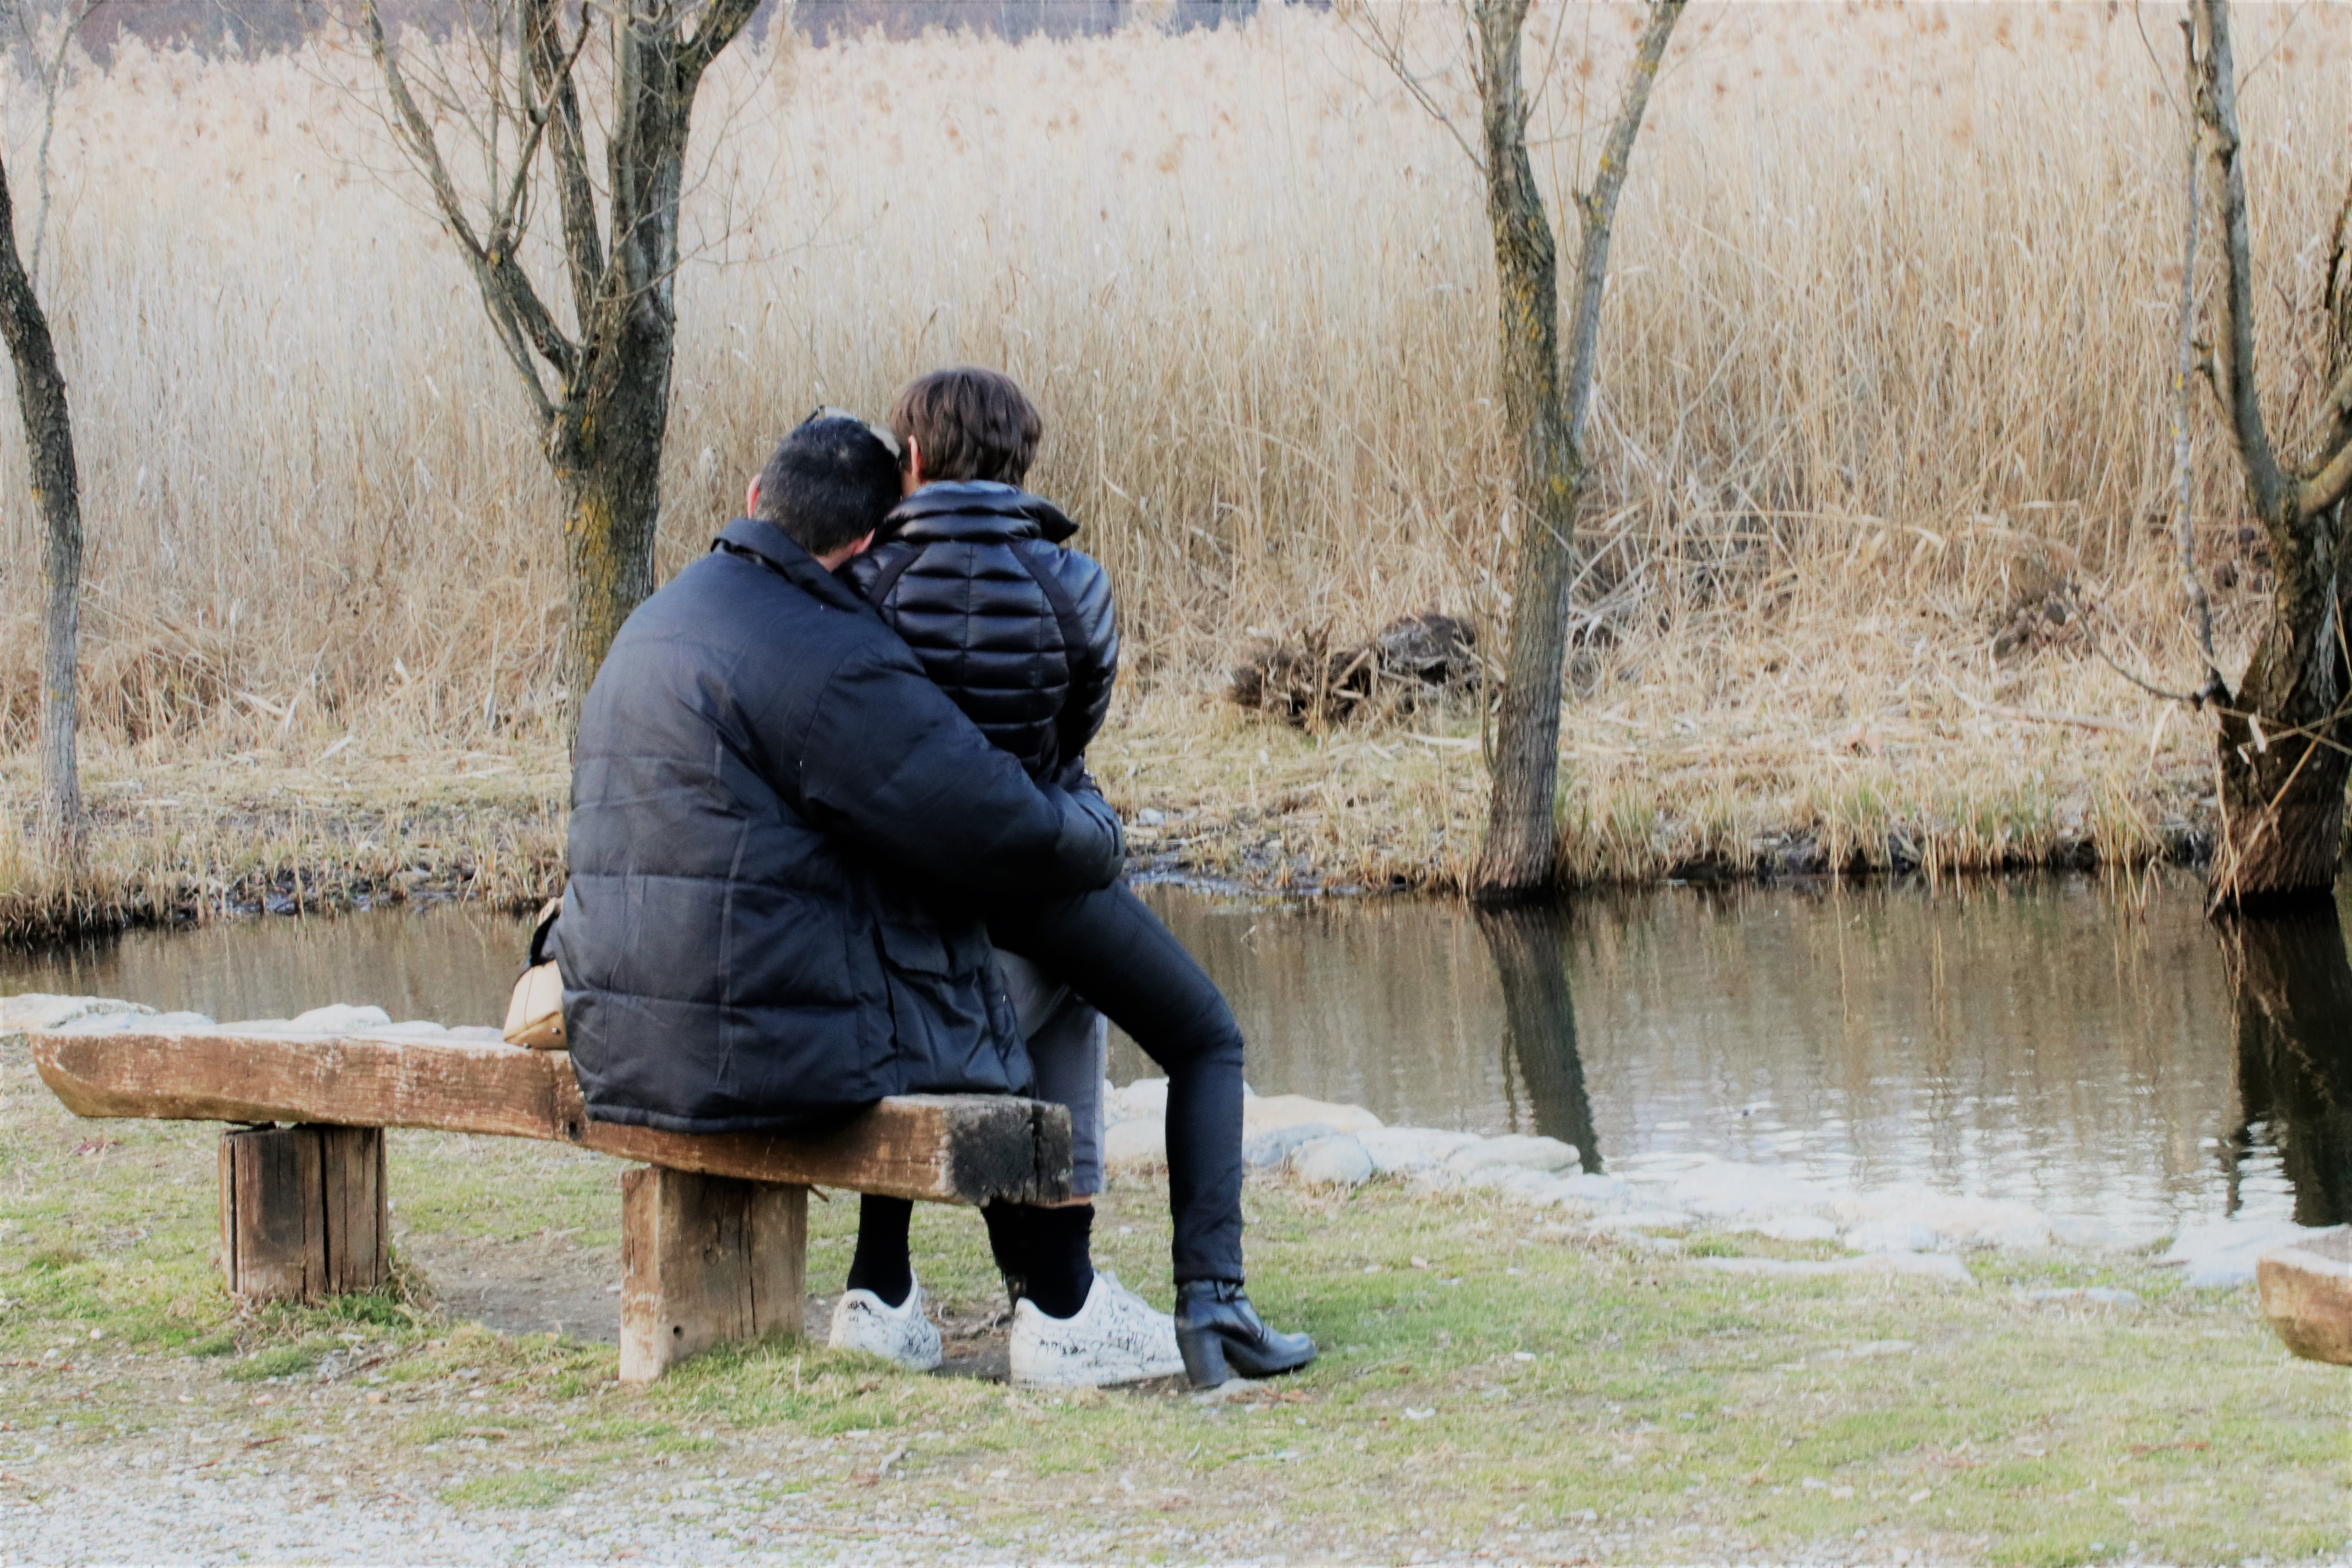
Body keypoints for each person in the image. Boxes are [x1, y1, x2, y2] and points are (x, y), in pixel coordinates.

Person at [824, 367, 1315, 1390]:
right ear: (1022, 462)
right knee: (1204, 1036)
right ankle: (1199, 1303)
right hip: (1038, 880)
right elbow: (1069, 742)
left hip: (903, 892)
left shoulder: (858, 585)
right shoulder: (1072, 585)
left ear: (909, 460)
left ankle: (892, 1287)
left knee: (933, 1018)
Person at [552, 414, 1124, 1143]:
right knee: (1071, 966)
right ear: (866, 546)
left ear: (756, 496)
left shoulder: (654, 621)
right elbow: (1010, 828)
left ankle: (906, 1264)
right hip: (752, 1063)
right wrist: (1101, 824)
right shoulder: (836, 658)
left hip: (617, 1042)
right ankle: (1052, 1262)